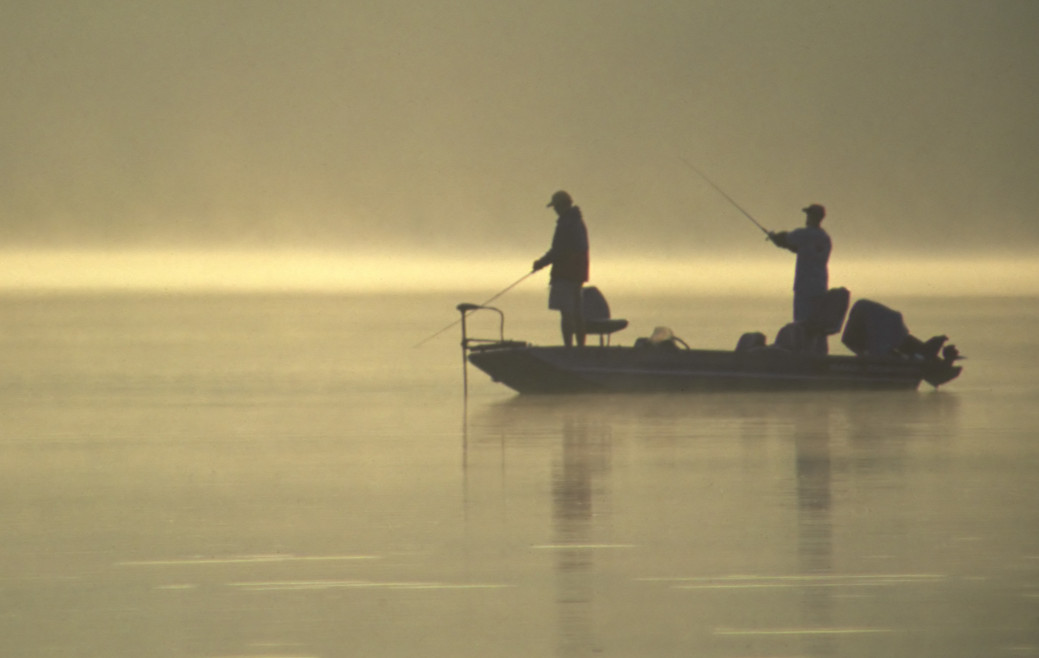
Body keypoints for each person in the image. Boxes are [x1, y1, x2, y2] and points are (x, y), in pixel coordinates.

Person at [533, 190, 589, 347]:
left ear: (561, 206)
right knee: (577, 313)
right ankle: (580, 349)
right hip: (578, 274)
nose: (555, 210)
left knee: (567, 314)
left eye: (556, 206)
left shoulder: (566, 224)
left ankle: (568, 349)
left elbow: (558, 250)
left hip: (565, 274)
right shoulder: (578, 222)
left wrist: (540, 263)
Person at [768, 204, 832, 324]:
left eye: (808, 215)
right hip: (820, 286)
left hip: (804, 287)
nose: (806, 218)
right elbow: (803, 250)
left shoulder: (804, 234)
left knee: (801, 323)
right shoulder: (825, 238)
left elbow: (784, 238)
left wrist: (773, 237)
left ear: (812, 217)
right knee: (816, 324)